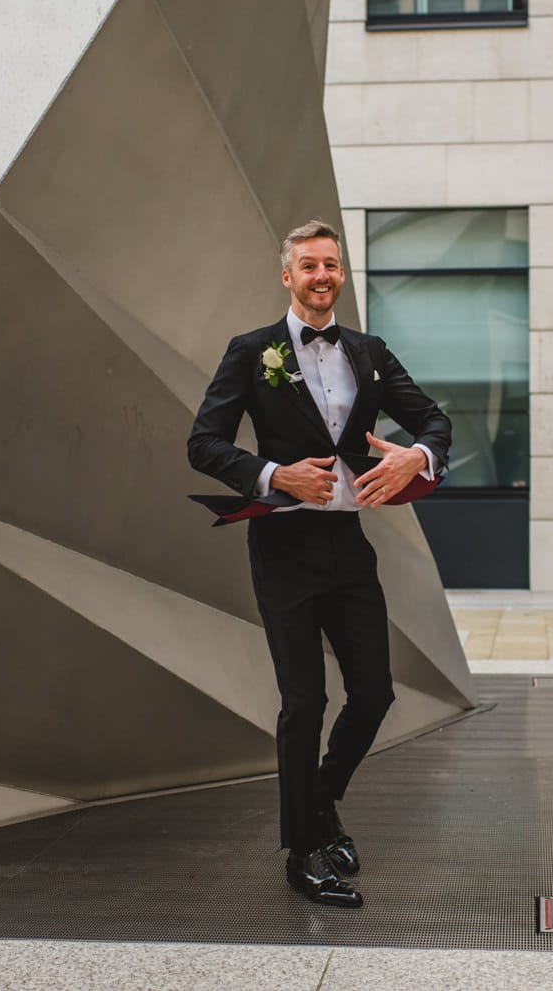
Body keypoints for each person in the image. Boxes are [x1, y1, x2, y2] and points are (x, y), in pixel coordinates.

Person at [187, 219, 451, 908]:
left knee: (375, 691)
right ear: (288, 276)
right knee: (304, 701)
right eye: (309, 265)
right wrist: (274, 474)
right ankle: (303, 851)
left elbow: (434, 420)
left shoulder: (369, 351)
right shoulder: (252, 352)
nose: (322, 275)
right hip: (282, 548)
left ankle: (321, 802)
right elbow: (204, 442)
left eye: (331, 264)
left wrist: (414, 456)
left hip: (348, 547)